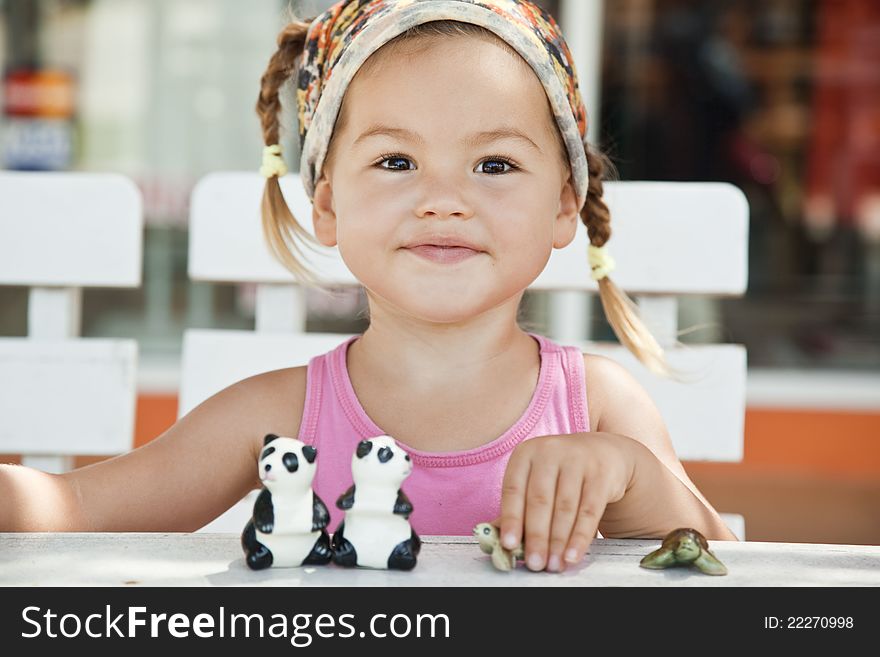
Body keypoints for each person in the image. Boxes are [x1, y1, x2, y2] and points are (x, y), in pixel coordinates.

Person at [0, 0, 736, 572]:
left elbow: (722, 571)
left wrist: (627, 473)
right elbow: (75, 507)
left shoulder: (598, 406)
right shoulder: (280, 414)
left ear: (563, 206)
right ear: (325, 203)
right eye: (394, 161)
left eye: (494, 165)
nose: (443, 199)